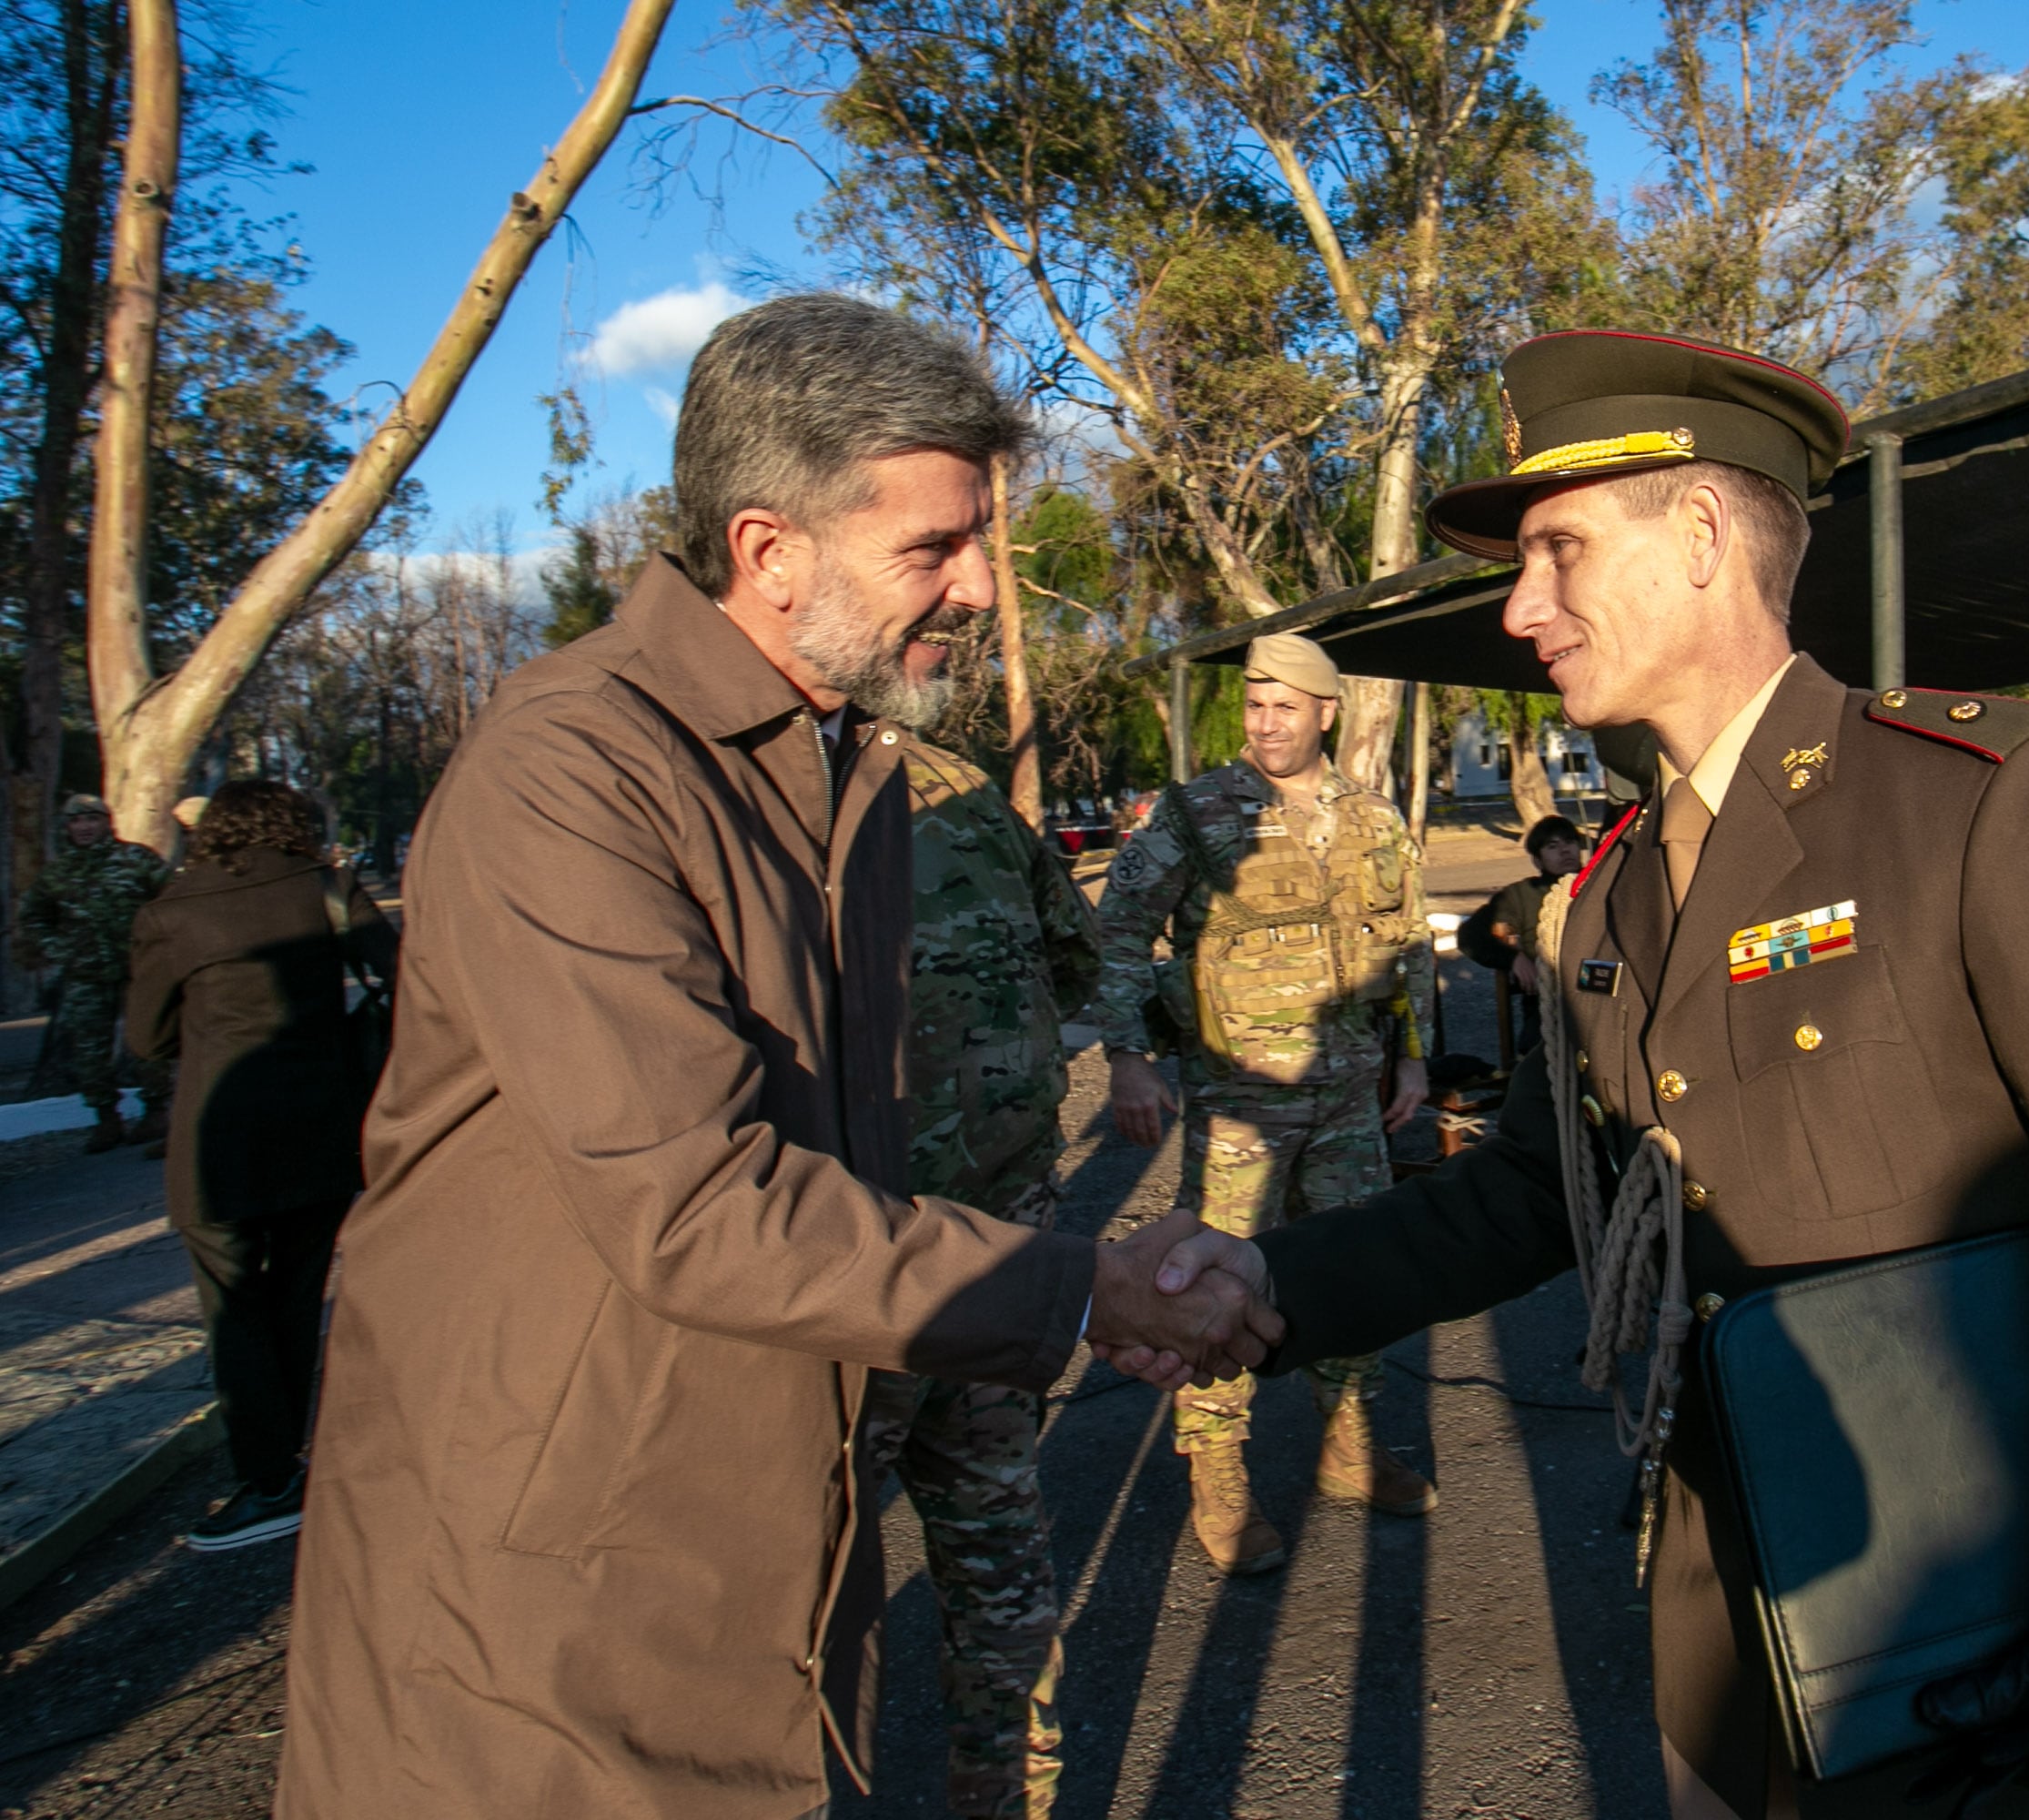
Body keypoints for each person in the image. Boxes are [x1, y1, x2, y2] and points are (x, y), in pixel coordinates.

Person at [1109, 329, 2029, 1820]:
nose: (1521, 607)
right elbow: (1546, 1192)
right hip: (1738, 1636)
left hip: (2007, 1643)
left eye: (1557, 550)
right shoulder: (1615, 888)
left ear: (1697, 536)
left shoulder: (1974, 803)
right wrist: (1259, 1285)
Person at [276, 295, 1275, 1820]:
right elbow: (695, 1201)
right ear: (767, 549)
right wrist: (1077, 1289)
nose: (983, 588)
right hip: (540, 1611)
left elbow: (853, 1164)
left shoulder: (845, 773)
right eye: (935, 549)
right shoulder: (573, 768)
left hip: (747, 1562)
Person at [1093, 631, 1441, 1575]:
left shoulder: (1372, 817)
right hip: (1241, 1102)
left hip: (1348, 1098)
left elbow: (1402, 947)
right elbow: (1117, 929)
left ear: (1327, 710)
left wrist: (1411, 1060)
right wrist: (1129, 1056)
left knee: (1355, 1267)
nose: (1265, 720)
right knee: (1214, 1283)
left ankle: (1350, 1443)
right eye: (1254, 703)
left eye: (1285, 704)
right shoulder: (1199, 810)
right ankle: (1219, 1474)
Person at [854, 731, 1106, 1819]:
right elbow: (1075, 959)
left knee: (798, 1582)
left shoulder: (768, 793)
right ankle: (1007, 1791)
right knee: (996, 1530)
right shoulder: (960, 784)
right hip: (980, 1242)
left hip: (854, 1267)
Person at [124, 780, 396, 1551]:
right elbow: (403, 972)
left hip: (222, 1136)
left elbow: (146, 1039)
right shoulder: (326, 886)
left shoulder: (171, 910)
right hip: (322, 1125)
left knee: (234, 1307)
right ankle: (297, 1459)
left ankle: (269, 1479)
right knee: (298, 1294)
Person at [11, 792, 174, 1152]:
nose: (84, 827)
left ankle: (157, 1112)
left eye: (92, 819)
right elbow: (34, 916)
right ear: (66, 827)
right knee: (90, 1050)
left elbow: (173, 900)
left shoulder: (136, 859)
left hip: (139, 968)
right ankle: (105, 1118)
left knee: (149, 1040)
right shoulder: (57, 873)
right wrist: (60, 950)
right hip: (86, 974)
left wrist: (160, 945)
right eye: (76, 821)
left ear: (106, 822)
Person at [1459, 813, 1585, 1055]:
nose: (1565, 850)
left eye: (1570, 842)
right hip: (1549, 1007)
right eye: (1552, 846)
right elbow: (1470, 936)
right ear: (1537, 860)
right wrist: (1513, 958)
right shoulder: (1521, 895)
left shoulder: (1599, 885)